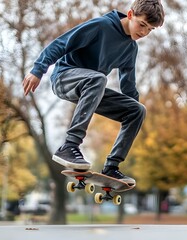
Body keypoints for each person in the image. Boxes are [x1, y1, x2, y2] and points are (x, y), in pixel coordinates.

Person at [22, 0, 165, 185]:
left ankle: (112, 167)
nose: (144, 32)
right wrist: (37, 70)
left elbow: (128, 86)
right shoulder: (101, 26)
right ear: (130, 15)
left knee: (138, 110)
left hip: (91, 87)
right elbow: (61, 44)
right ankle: (70, 146)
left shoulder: (130, 49)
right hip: (64, 78)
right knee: (98, 78)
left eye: (150, 30)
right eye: (142, 25)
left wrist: (133, 116)